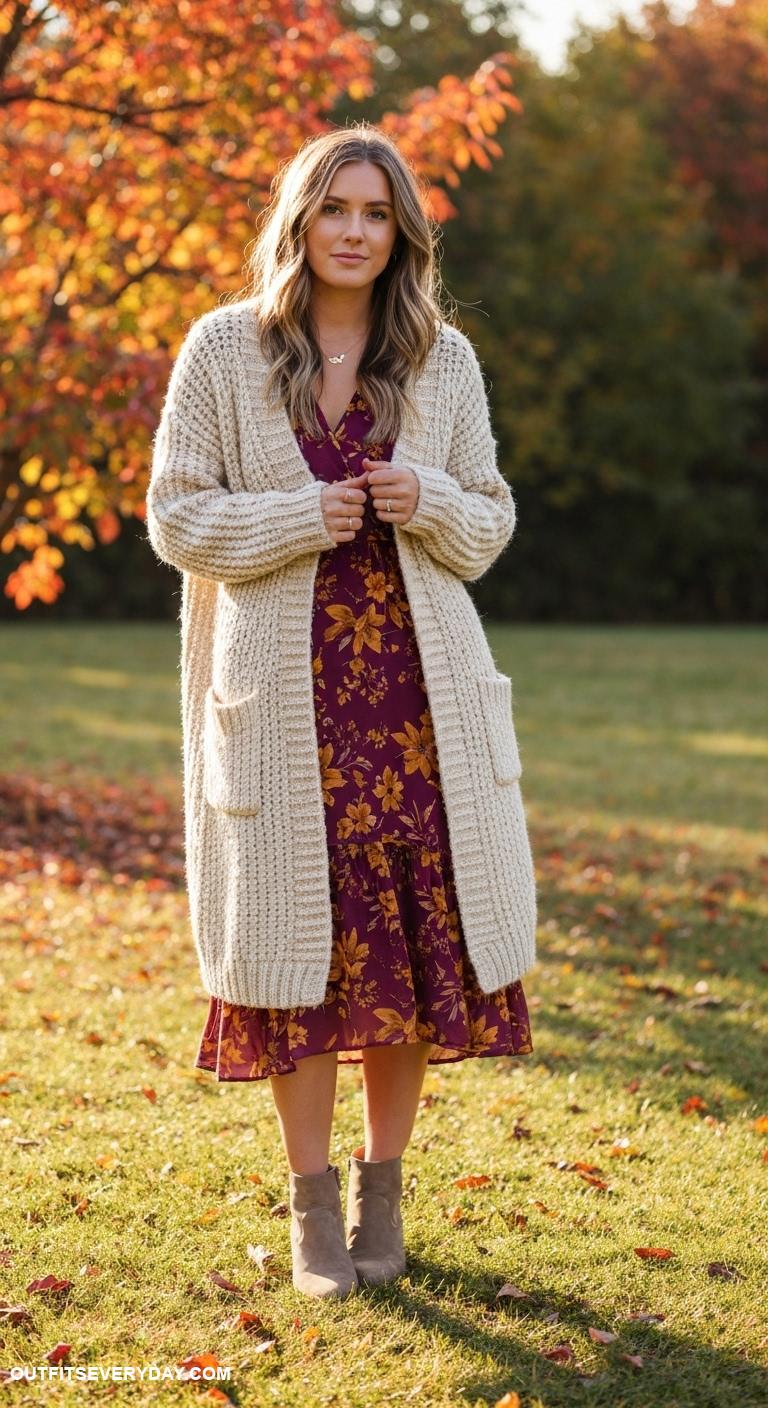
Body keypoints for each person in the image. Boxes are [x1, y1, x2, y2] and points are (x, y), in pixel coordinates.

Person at [145, 121, 537, 1301]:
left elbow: (491, 522)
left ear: (400, 229)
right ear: (301, 223)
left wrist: (425, 500)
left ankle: (384, 1191)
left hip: (418, 710)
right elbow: (175, 515)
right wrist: (291, 518)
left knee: (411, 951)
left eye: (376, 213)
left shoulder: (443, 362)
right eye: (335, 211)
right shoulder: (224, 350)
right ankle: (312, 1207)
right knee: (296, 960)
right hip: (282, 703)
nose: (356, 232)